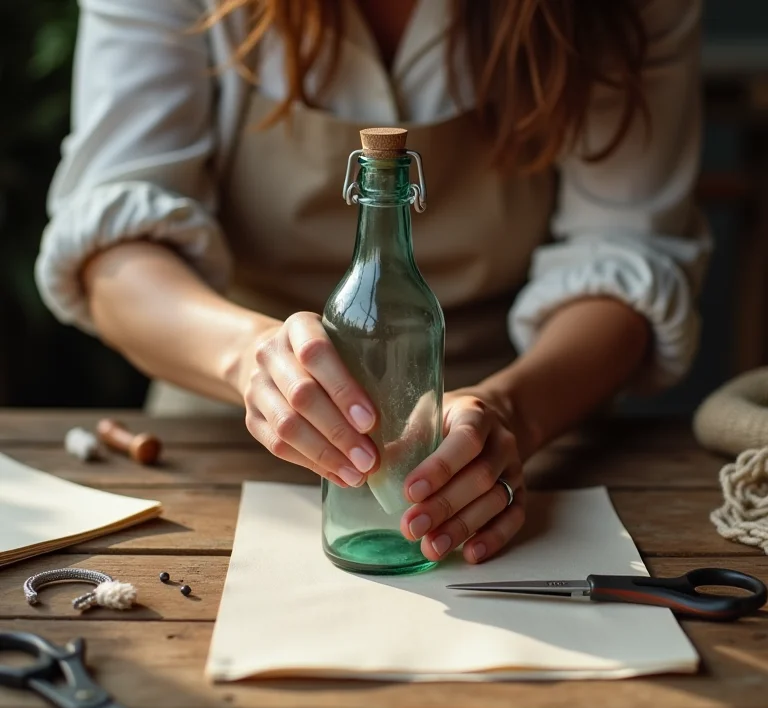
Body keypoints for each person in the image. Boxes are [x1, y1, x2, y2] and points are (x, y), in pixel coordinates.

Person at [35, 0, 710, 565]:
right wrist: (250, 358)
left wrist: (513, 412)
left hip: (518, 441)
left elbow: (629, 250)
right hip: (220, 441)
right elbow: (114, 248)